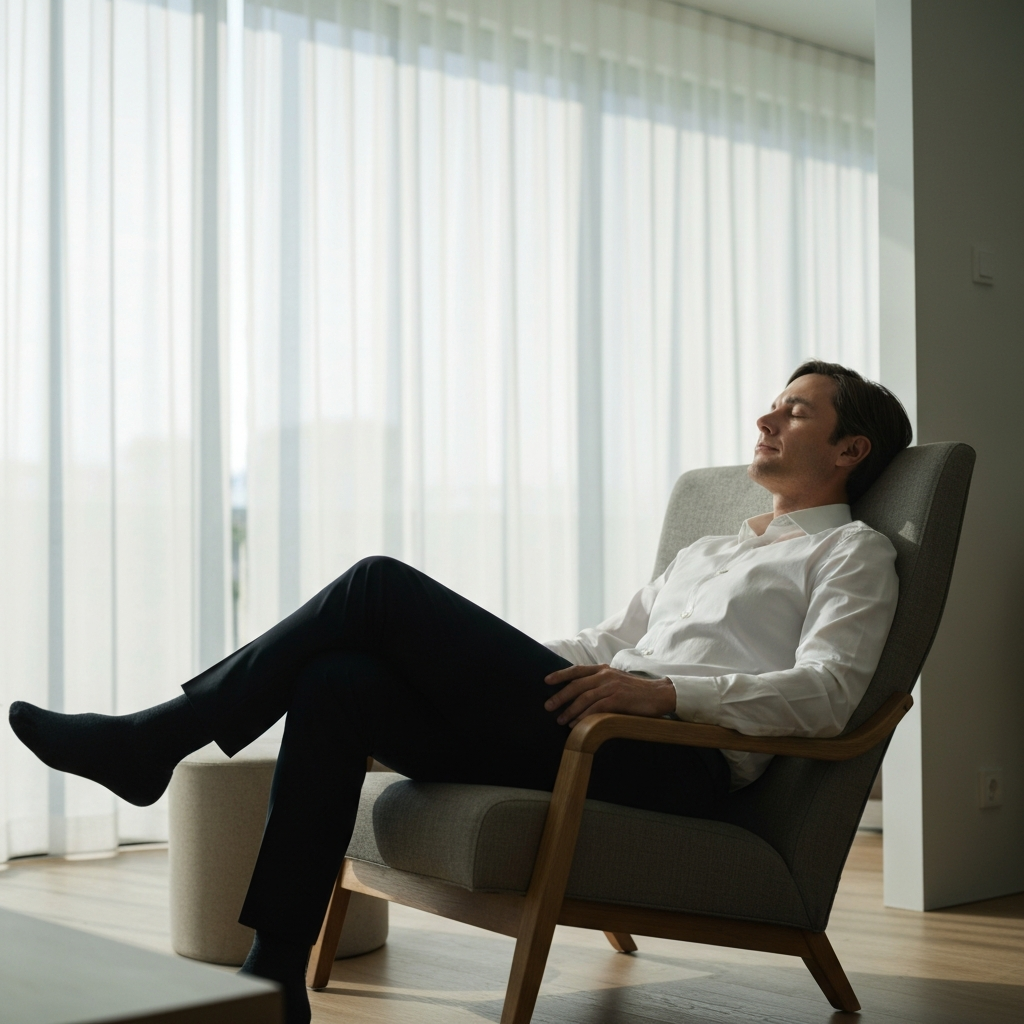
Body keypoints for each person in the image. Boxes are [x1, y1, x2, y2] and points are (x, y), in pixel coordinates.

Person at [9, 360, 912, 1024]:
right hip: (585, 723)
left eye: (794, 411)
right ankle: (275, 970)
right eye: (773, 403)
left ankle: (154, 740)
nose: (765, 418)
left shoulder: (852, 553)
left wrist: (667, 696)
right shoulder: (713, 548)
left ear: (849, 448)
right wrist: (474, 656)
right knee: (339, 680)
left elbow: (830, 694)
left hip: (670, 763)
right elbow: (605, 643)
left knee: (375, 585)